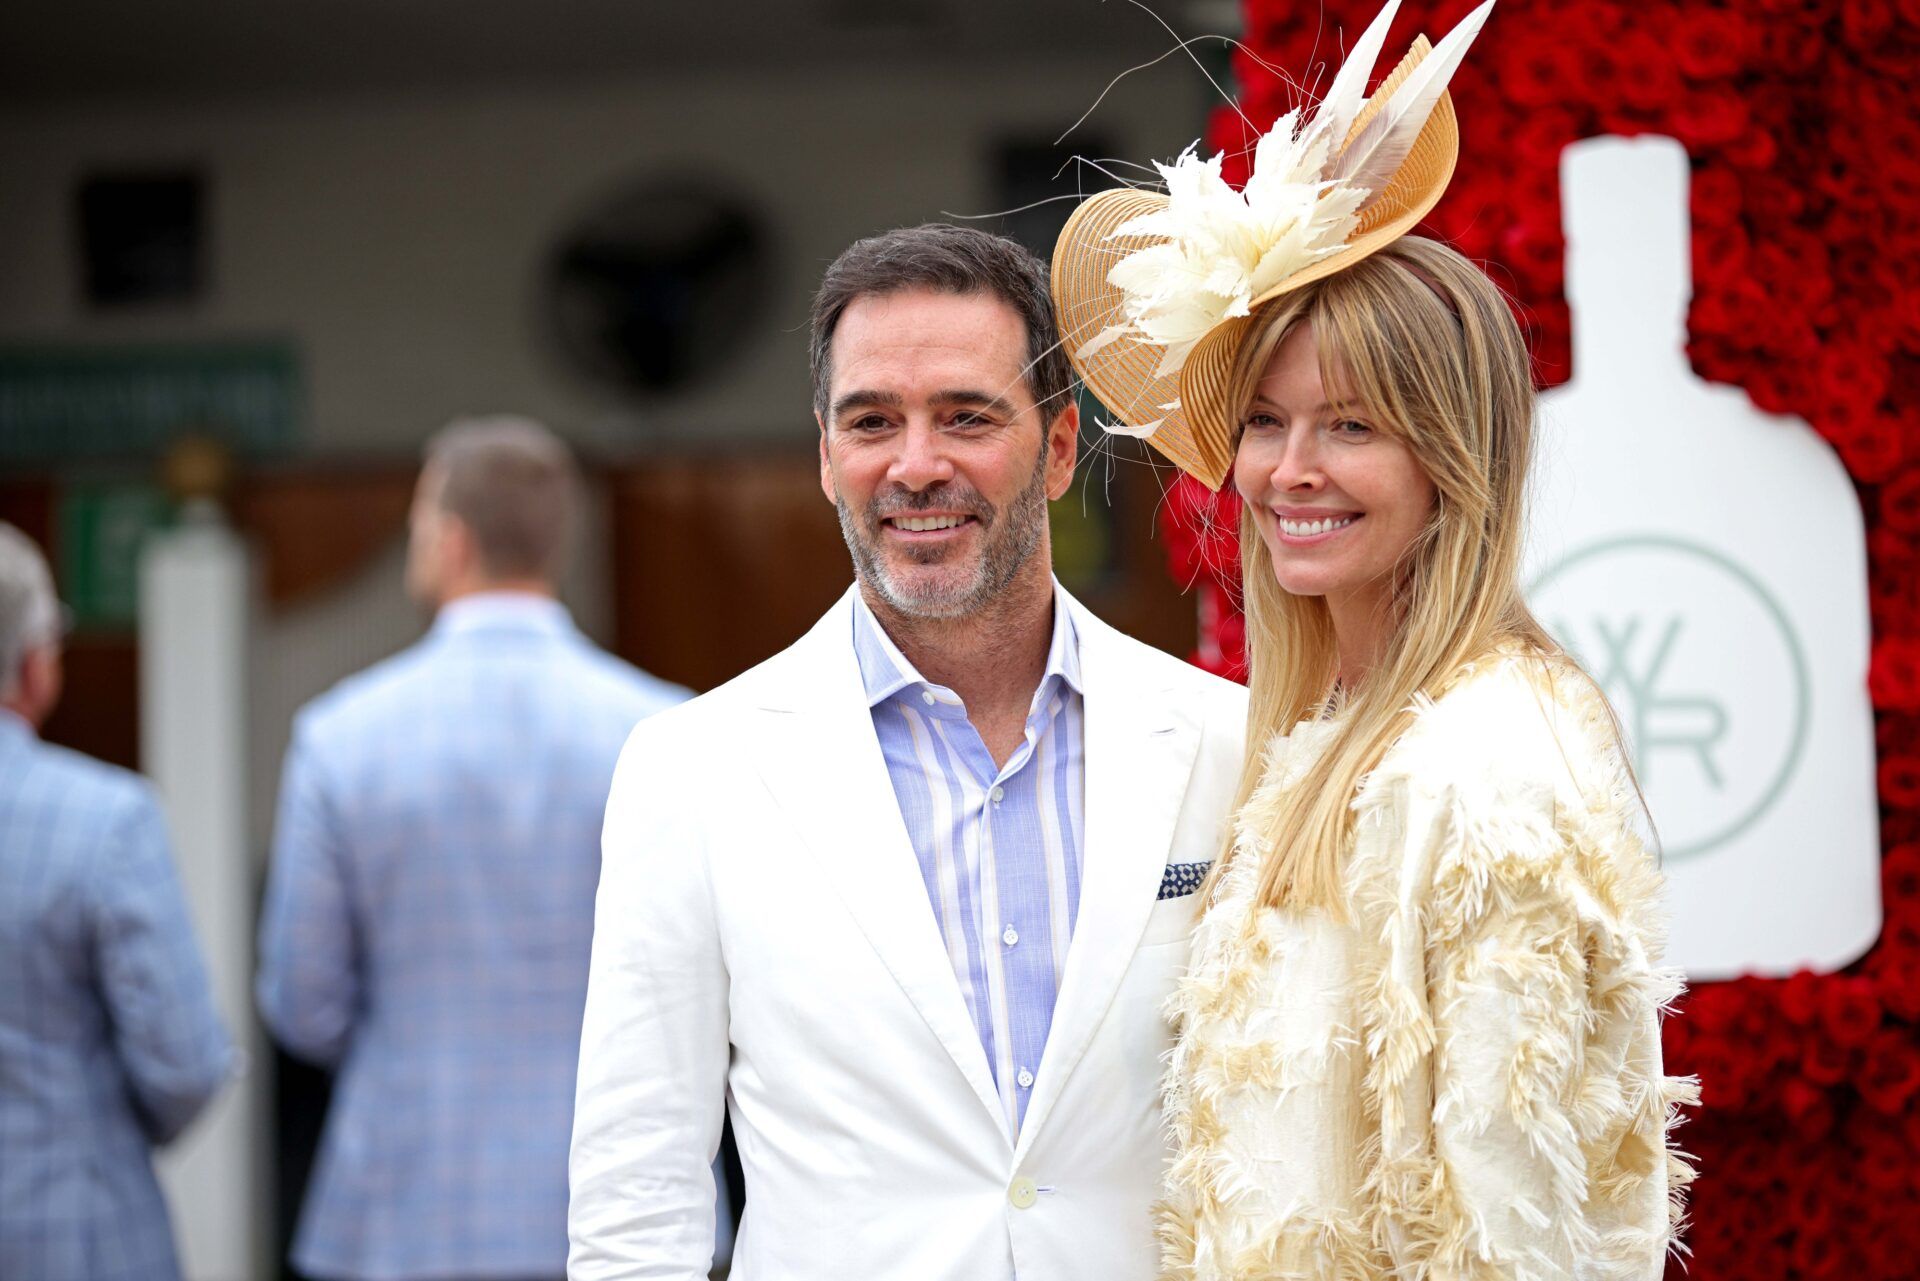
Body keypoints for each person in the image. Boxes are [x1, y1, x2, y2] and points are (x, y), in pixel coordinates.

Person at [1050, 2, 1695, 1276]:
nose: (1290, 471)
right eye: (1267, 422)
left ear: (1453, 459)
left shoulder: (1482, 760)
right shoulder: (1347, 731)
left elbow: (1510, 1236)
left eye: (1351, 425)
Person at [567, 224, 1249, 1280]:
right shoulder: (691, 772)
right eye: (872, 421)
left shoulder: (1225, 742)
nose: (916, 465)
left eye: (967, 418)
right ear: (828, 458)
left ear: (1060, 447)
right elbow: (637, 1192)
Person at [257, 417, 690, 1281]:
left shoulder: (340, 737)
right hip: (623, 1204)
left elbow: (300, 1000)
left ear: (450, 540)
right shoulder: (668, 730)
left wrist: (411, 1044)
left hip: (405, 1203)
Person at [0, 522, 232, 1281]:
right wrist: (93, 1124)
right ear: (36, 666)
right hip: (77, 1226)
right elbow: (189, 1063)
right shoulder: (105, 818)